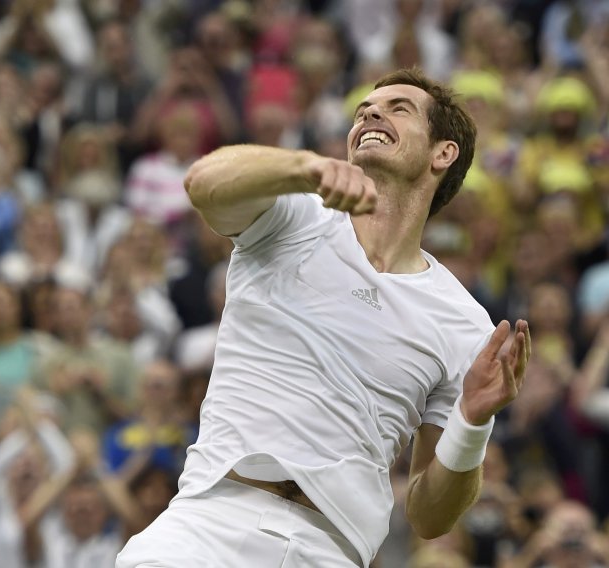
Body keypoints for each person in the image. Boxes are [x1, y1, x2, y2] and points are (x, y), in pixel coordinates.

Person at [116, 67, 532, 568]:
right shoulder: (296, 212)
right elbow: (204, 183)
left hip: (330, 553)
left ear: (443, 153)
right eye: (364, 110)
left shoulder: (467, 324)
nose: (372, 112)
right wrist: (300, 167)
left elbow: (429, 517)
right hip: (208, 527)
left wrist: (473, 421)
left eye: (399, 108)